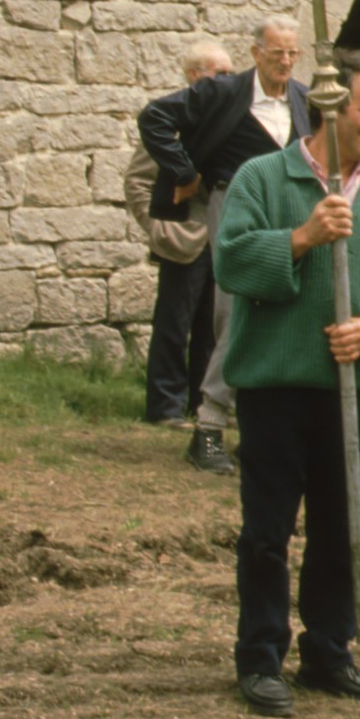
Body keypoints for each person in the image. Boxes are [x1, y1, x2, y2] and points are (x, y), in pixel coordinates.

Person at [216, 52, 360, 718]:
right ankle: (260, 657)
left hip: (352, 394)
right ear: (331, 109)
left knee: (343, 528)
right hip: (276, 390)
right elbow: (230, 261)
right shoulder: (265, 177)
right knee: (266, 531)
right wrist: (301, 238)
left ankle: (329, 651)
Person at [138, 16, 313, 475]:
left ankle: (261, 431)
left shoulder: (303, 99)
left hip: (289, 214)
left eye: (292, 53)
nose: (285, 61)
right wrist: (183, 172)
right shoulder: (222, 93)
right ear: (256, 53)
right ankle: (209, 428)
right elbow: (155, 116)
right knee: (235, 310)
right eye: (277, 52)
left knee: (285, 311)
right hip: (234, 205)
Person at [129, 39, 230, 428]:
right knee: (174, 324)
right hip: (182, 238)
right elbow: (138, 181)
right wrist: (158, 229)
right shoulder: (171, 120)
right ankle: (165, 407)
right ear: (194, 76)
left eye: (230, 73)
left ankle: (202, 404)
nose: (226, 81)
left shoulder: (224, 119)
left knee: (212, 326)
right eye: (218, 74)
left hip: (219, 237)